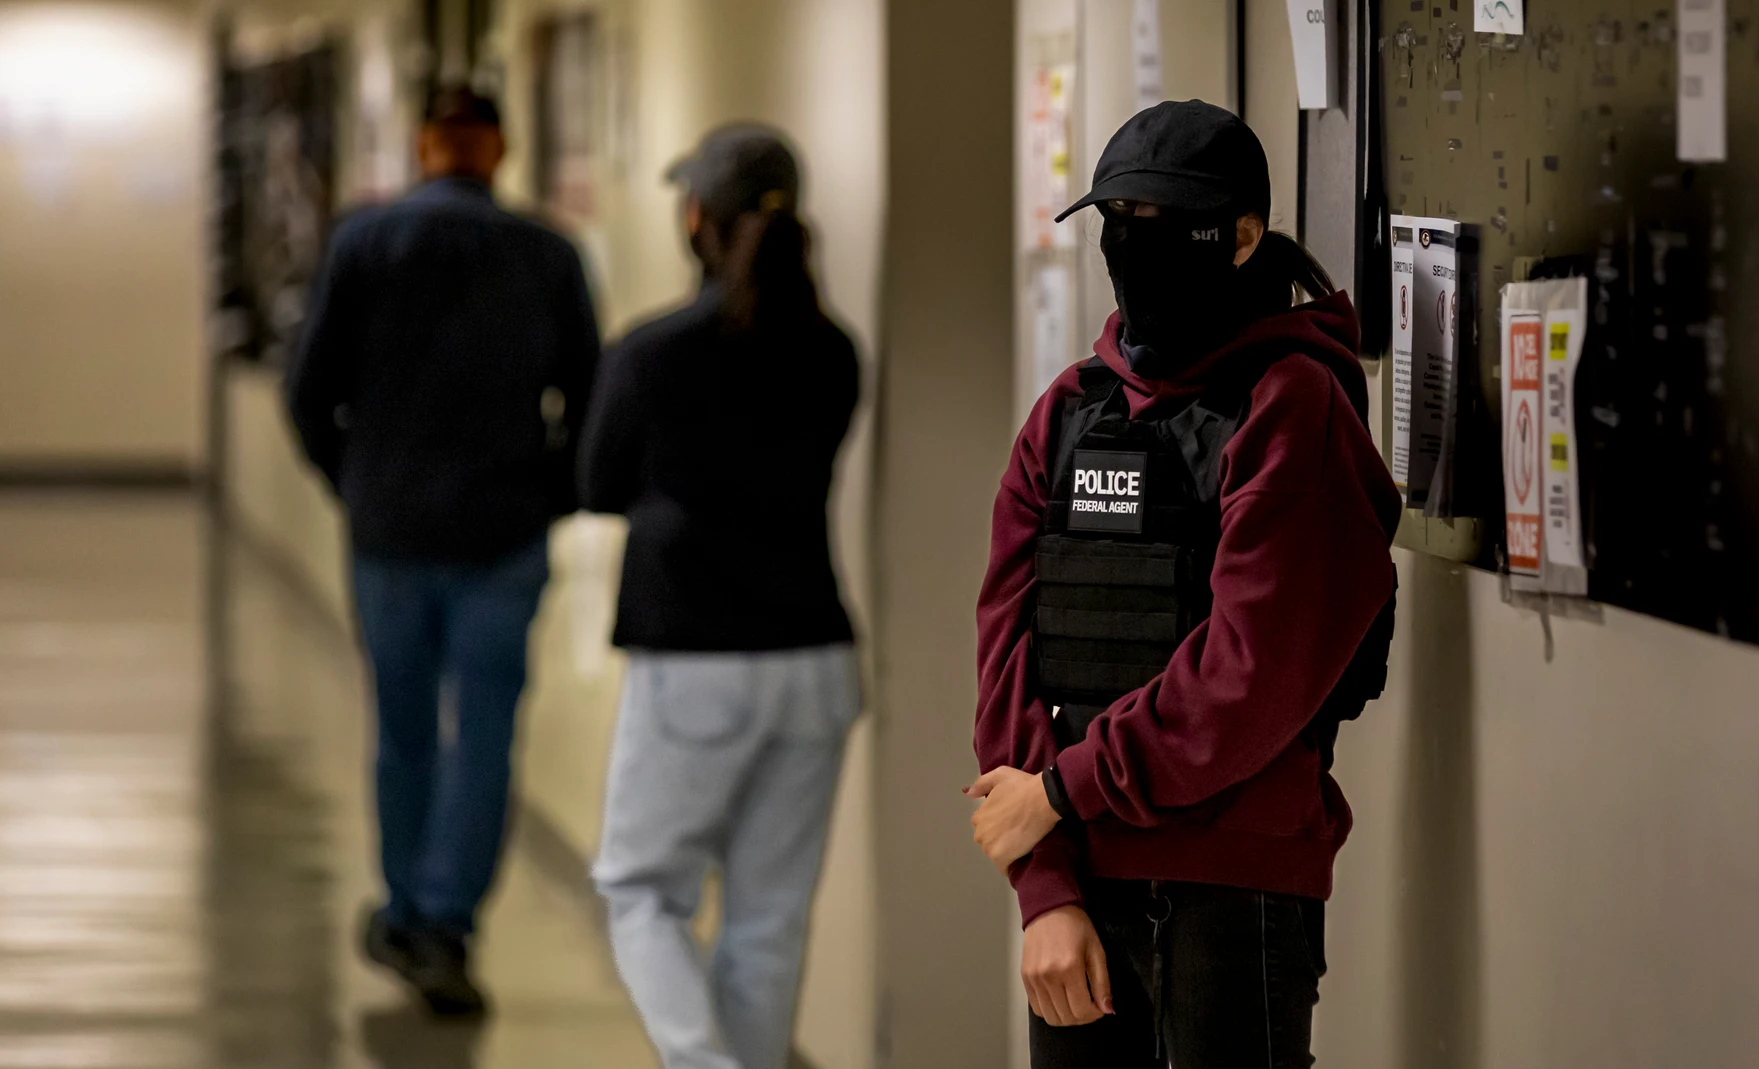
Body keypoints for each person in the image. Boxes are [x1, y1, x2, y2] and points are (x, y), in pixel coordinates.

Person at [965, 99, 1401, 1068]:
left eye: (1163, 225)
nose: (1135, 245)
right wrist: (1045, 885)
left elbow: (1246, 678)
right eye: (1117, 224)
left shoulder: (1294, 406)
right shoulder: (1069, 413)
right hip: (1076, 889)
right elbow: (1007, 653)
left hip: (1229, 892)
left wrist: (1063, 790)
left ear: (1244, 235)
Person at [285, 85, 600, 1017]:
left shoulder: (363, 244)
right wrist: (548, 495)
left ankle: (408, 904)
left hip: (390, 537)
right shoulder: (547, 254)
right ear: (498, 147)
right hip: (502, 537)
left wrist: (357, 481)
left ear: (425, 146)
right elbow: (589, 405)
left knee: (404, 726)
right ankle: (447, 921)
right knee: (487, 735)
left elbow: (308, 392)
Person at [581, 125, 861, 1069]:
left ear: (695, 219)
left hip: (695, 661)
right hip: (815, 664)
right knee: (769, 919)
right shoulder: (835, 353)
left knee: (641, 891)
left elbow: (597, 481)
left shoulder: (652, 353)